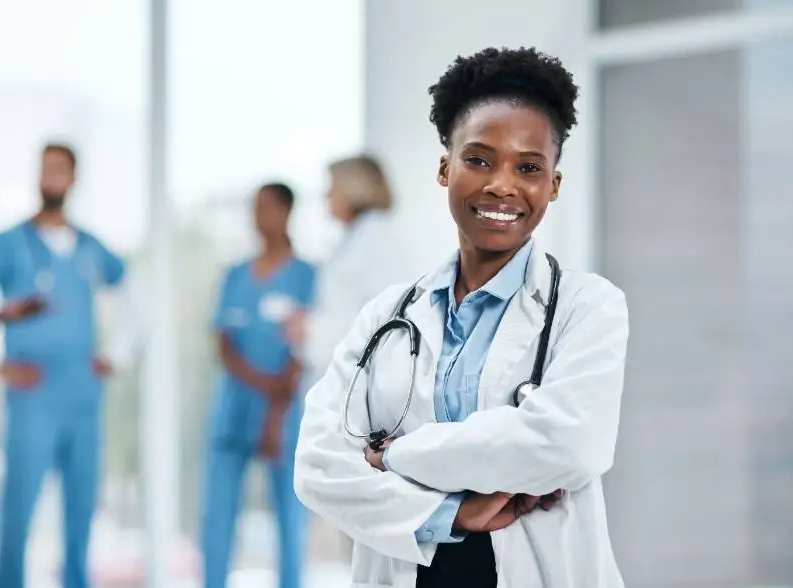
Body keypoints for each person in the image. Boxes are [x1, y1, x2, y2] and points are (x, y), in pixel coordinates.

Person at [292, 47, 630, 588]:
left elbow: (569, 446)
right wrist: (449, 512)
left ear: (553, 184)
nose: (502, 184)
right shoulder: (385, 315)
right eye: (479, 159)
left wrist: (397, 456)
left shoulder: (587, 307)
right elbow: (317, 464)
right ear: (445, 168)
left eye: (528, 167)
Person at [0, 143, 127, 588]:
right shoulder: (9, 244)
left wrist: (115, 355)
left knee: (81, 510)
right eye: (44, 168)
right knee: (19, 508)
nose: (50, 177)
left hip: (81, 394)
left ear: (74, 178)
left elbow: (134, 298)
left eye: (59, 169)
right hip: (31, 392)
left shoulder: (91, 248)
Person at [201, 183, 316, 588]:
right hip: (233, 407)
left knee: (290, 514)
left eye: (266, 207)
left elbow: (309, 347)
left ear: (286, 212)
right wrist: (262, 382)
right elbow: (223, 342)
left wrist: (275, 404)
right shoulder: (235, 275)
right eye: (254, 207)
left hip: (284, 409)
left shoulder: (306, 277)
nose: (257, 216)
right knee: (217, 514)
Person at [285, 154, 414, 388]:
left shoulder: (378, 241)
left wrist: (311, 329)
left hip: (360, 384)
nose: (326, 195)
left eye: (332, 187)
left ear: (353, 189)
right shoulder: (353, 240)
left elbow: (385, 324)